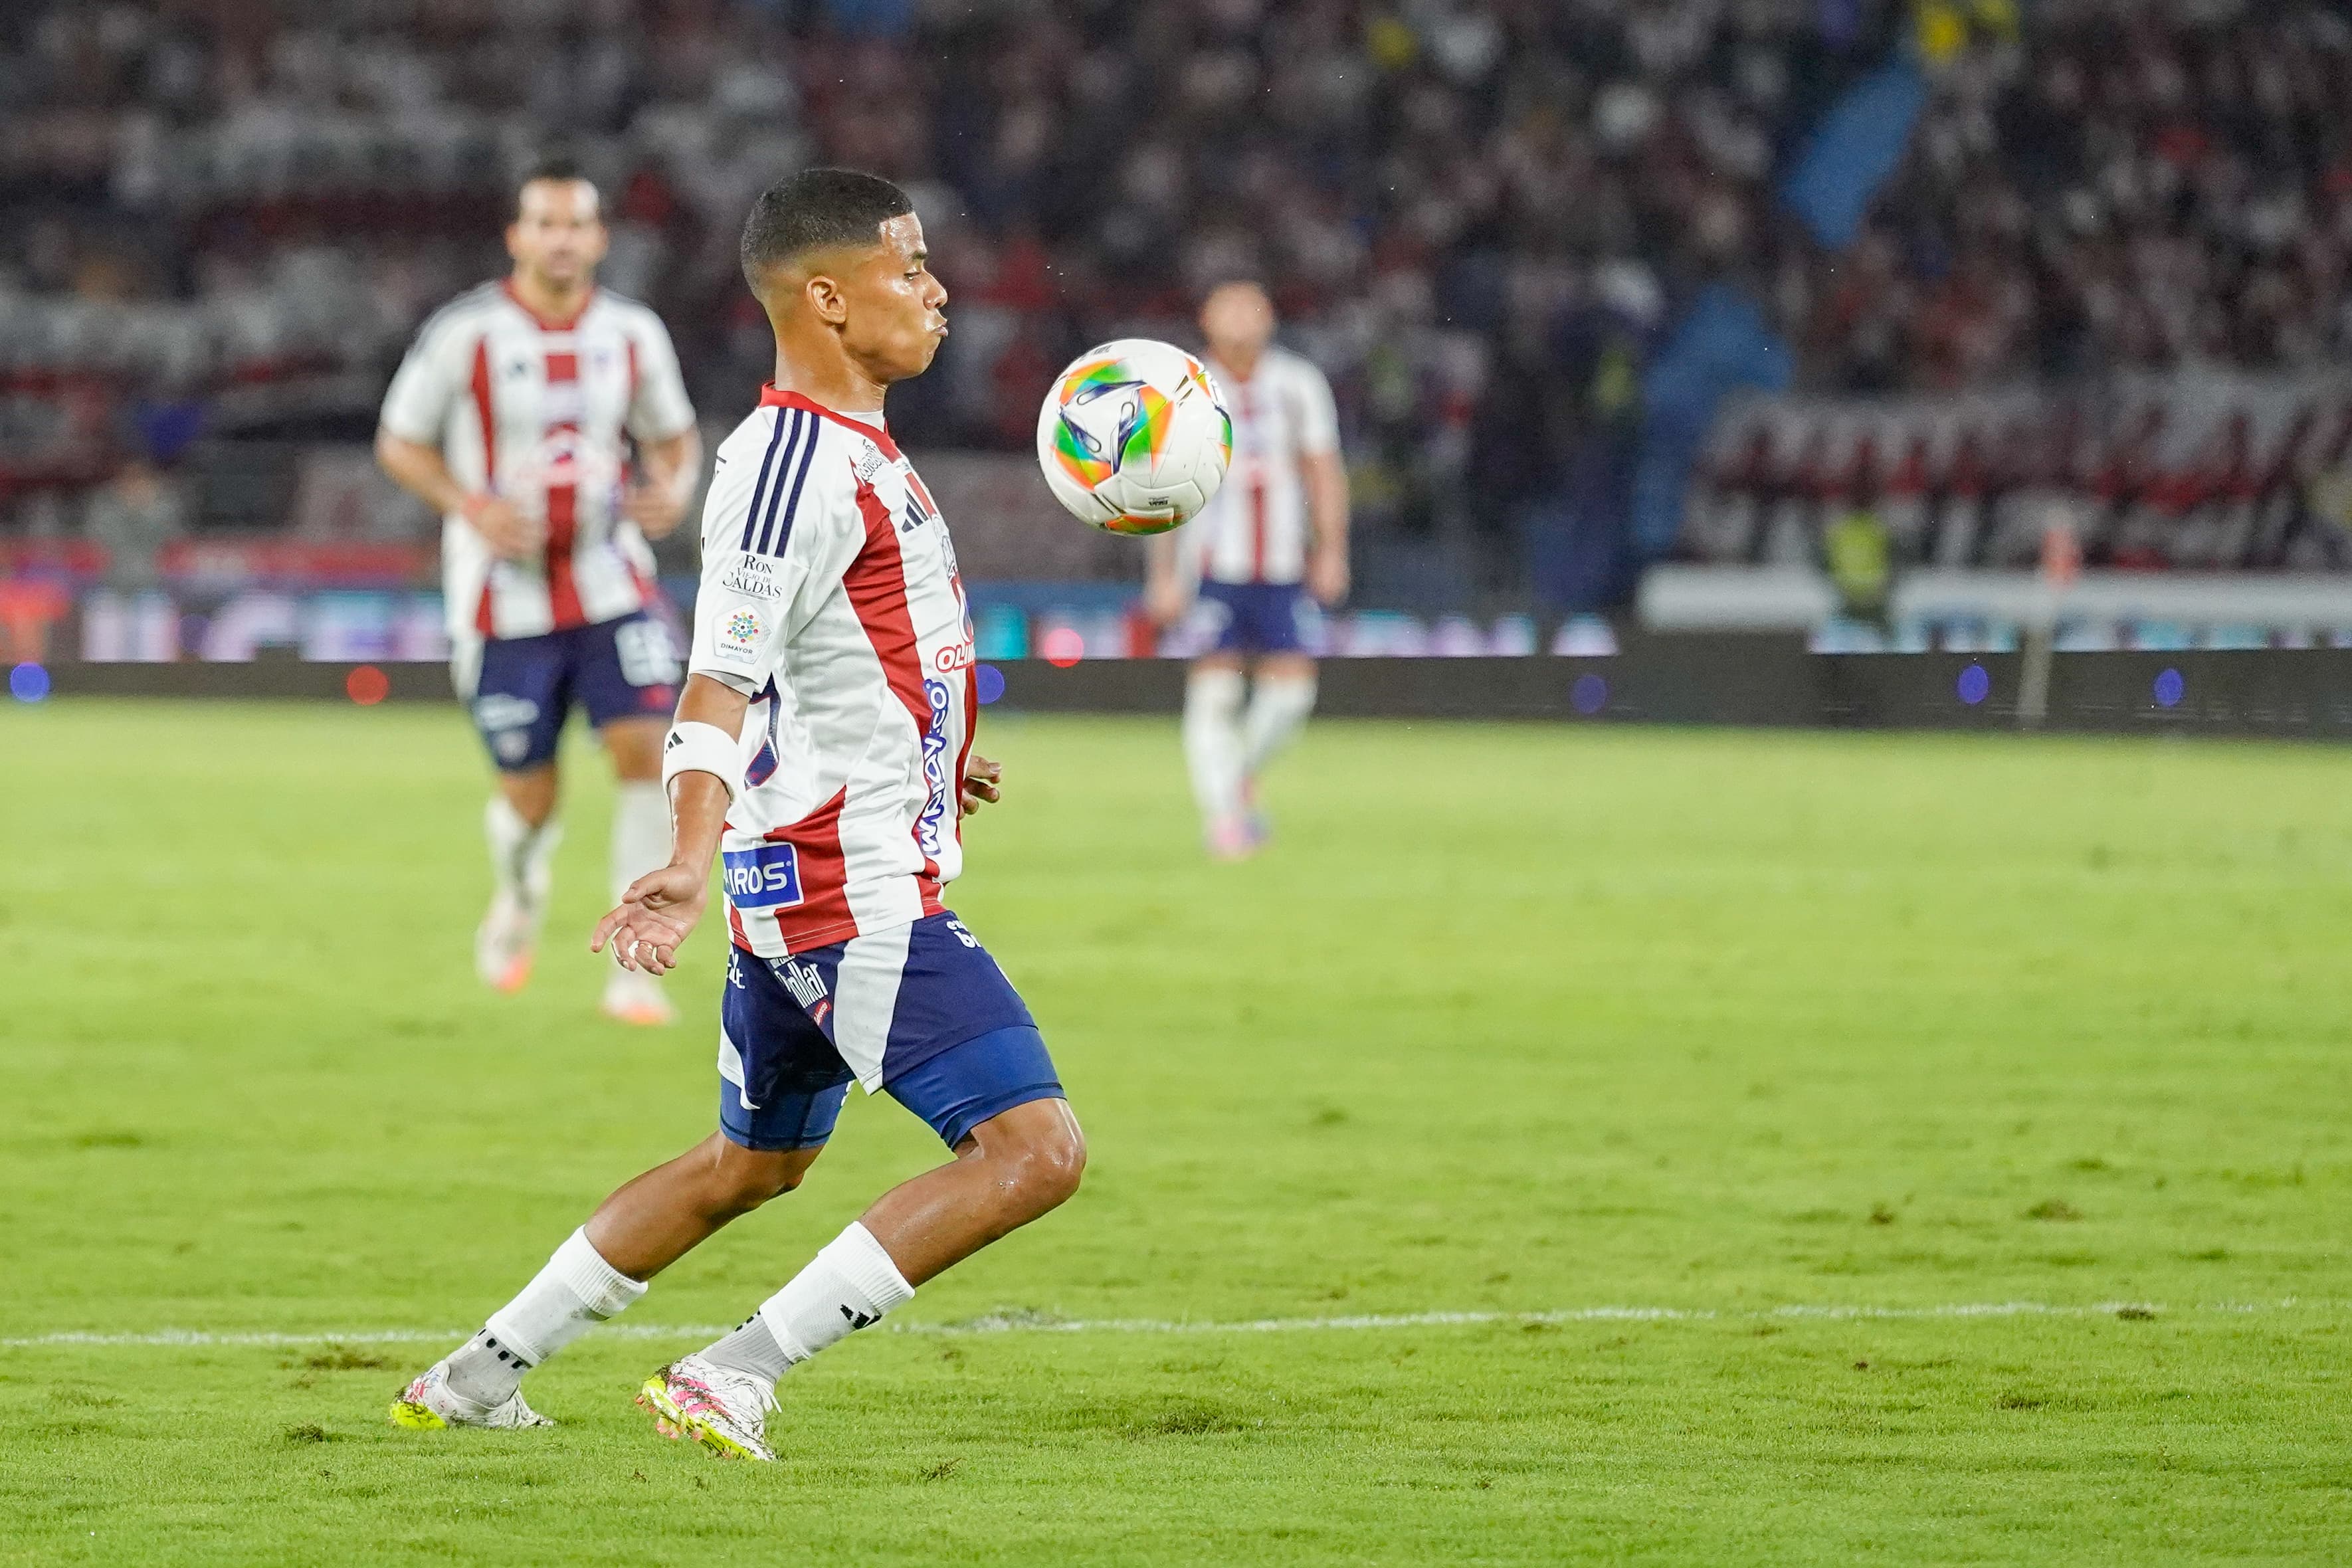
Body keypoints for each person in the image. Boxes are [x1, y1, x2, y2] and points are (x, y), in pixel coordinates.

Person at [389, 169, 1084, 1462]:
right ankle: (735, 1371)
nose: (937, 290)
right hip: (849, 891)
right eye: (909, 266)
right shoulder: (789, 467)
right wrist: (684, 856)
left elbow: (855, 656)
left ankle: (479, 1373)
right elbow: (721, 674)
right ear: (827, 296)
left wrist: (939, 750)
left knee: (747, 1166)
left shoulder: (853, 446)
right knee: (1034, 1151)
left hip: (823, 873)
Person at [376, 155, 704, 1025]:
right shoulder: (468, 334)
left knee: (645, 752)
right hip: (503, 596)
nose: (561, 240)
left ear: (598, 239)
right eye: (545, 224)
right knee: (531, 790)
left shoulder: (632, 334)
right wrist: (469, 505)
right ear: (518, 237)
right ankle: (520, 893)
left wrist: (676, 489)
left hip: (612, 582)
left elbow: (675, 439)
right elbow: (400, 441)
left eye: (576, 225)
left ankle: (634, 968)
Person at [1145, 281, 1349, 860]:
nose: (1239, 320)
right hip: (1211, 566)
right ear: (1206, 320)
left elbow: (1323, 471)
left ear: (1271, 318)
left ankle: (1234, 781)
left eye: (1250, 308)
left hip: (1283, 565)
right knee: (1215, 690)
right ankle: (1225, 822)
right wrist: (1161, 574)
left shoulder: (1298, 383)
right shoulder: (1181, 387)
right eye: (1226, 308)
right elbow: (1157, 487)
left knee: (1291, 697)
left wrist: (1332, 550)